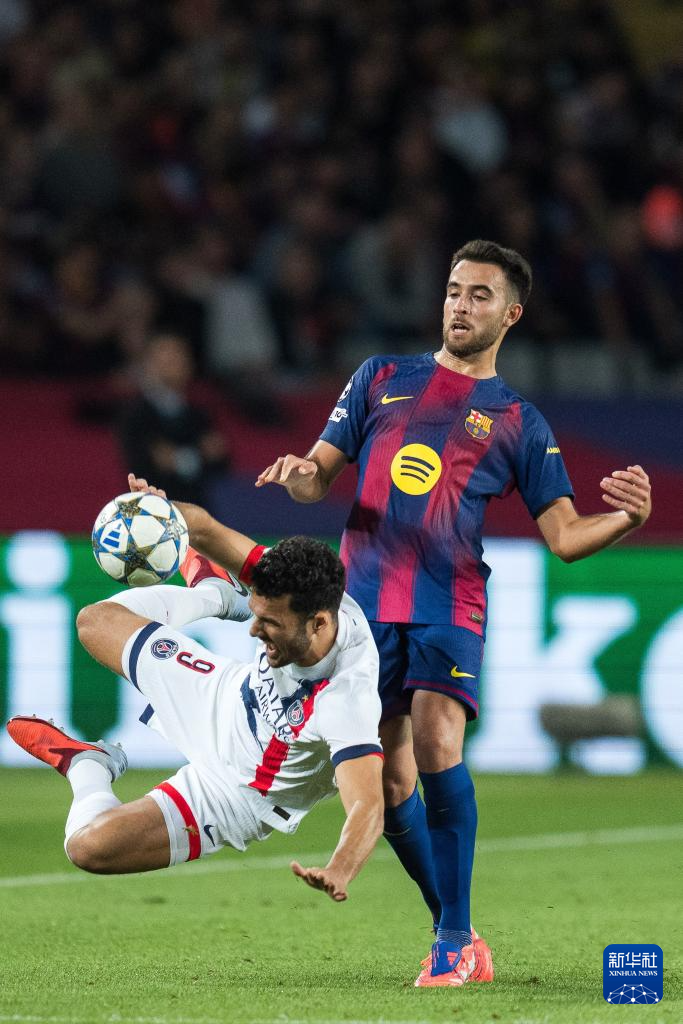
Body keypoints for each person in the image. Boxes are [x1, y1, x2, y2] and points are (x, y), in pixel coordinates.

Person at [255, 238, 653, 987]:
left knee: (438, 742)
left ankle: (448, 943)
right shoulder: (380, 377)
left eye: (478, 295)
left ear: (511, 315)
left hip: (449, 601)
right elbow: (316, 479)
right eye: (452, 290)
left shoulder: (518, 421)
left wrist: (626, 521)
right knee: (391, 783)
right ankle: (459, 930)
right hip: (363, 610)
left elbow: (565, 537)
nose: (460, 306)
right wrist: (299, 474)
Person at [7, 479, 384, 905]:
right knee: (95, 621)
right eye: (255, 614)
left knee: (88, 848)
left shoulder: (346, 698)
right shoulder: (296, 585)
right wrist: (163, 513)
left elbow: (367, 804)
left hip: (237, 791)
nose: (254, 631)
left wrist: (340, 868)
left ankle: (88, 765)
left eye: (270, 623)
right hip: (221, 695)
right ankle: (214, 596)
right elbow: (203, 528)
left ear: (319, 624)